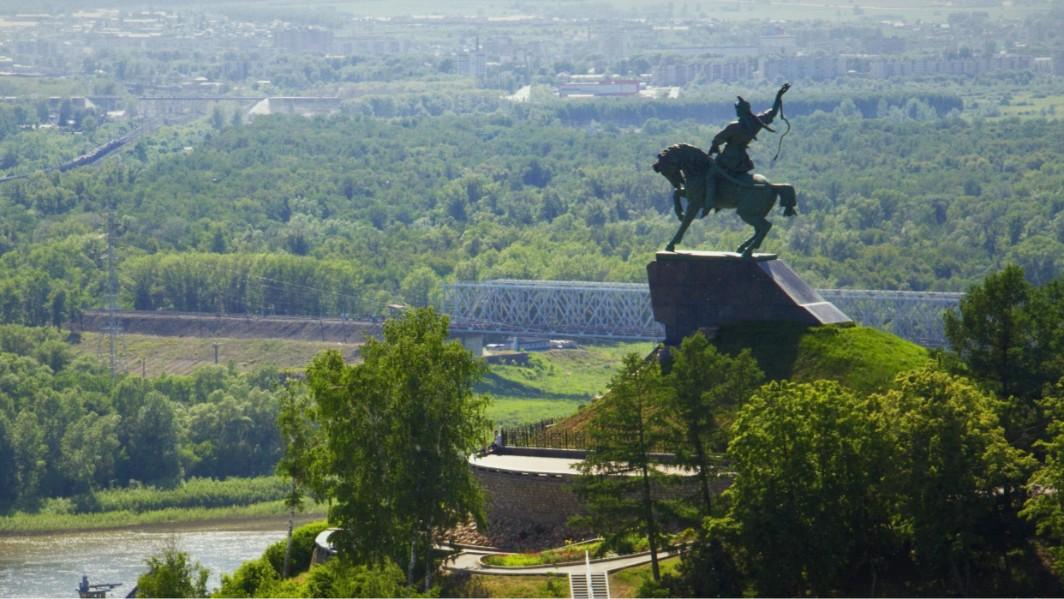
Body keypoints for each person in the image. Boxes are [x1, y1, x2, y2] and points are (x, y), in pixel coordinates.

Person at [702, 83, 790, 215]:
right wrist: (778, 96)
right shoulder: (756, 122)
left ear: (740, 111)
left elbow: (717, 139)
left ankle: (709, 203)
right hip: (742, 160)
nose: (736, 112)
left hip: (728, 159)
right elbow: (772, 112)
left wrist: (713, 149)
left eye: (737, 110)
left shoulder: (734, 126)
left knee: (710, 176)